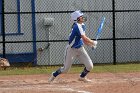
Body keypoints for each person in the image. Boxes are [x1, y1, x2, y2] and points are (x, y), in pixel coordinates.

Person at [48, 10, 97, 83]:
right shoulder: (77, 26)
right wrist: (93, 42)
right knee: (65, 69)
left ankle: (82, 77)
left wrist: (91, 45)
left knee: (90, 66)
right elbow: (84, 38)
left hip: (80, 48)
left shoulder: (82, 25)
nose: (82, 17)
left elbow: (82, 40)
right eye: (81, 16)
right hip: (71, 50)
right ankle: (54, 74)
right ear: (76, 18)